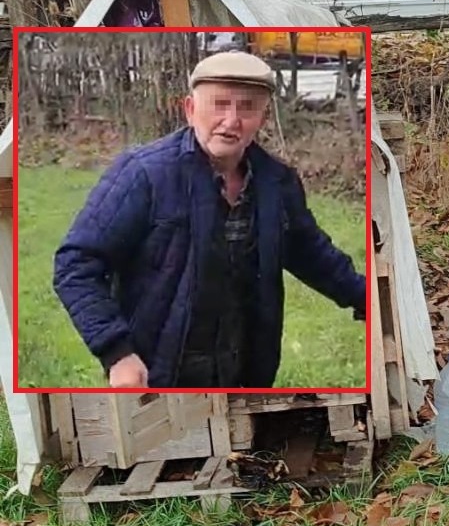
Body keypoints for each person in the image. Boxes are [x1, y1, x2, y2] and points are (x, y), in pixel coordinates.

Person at [52, 51, 366, 389]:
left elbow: (312, 255)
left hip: (244, 372)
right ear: (190, 109)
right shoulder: (145, 174)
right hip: (156, 374)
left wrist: (369, 299)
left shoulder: (276, 183)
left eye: (247, 107)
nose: (231, 121)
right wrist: (117, 353)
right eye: (219, 104)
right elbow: (76, 264)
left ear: (263, 117)